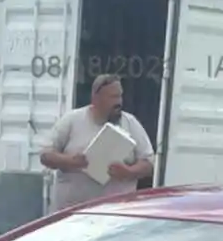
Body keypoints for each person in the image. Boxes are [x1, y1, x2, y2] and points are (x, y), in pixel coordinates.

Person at [39, 74, 156, 211]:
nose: (118, 102)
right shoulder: (72, 120)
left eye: (120, 96)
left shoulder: (130, 124)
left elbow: (148, 163)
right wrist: (70, 161)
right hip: (72, 215)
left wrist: (128, 172)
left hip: (116, 214)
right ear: (96, 98)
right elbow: (45, 155)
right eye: (112, 97)